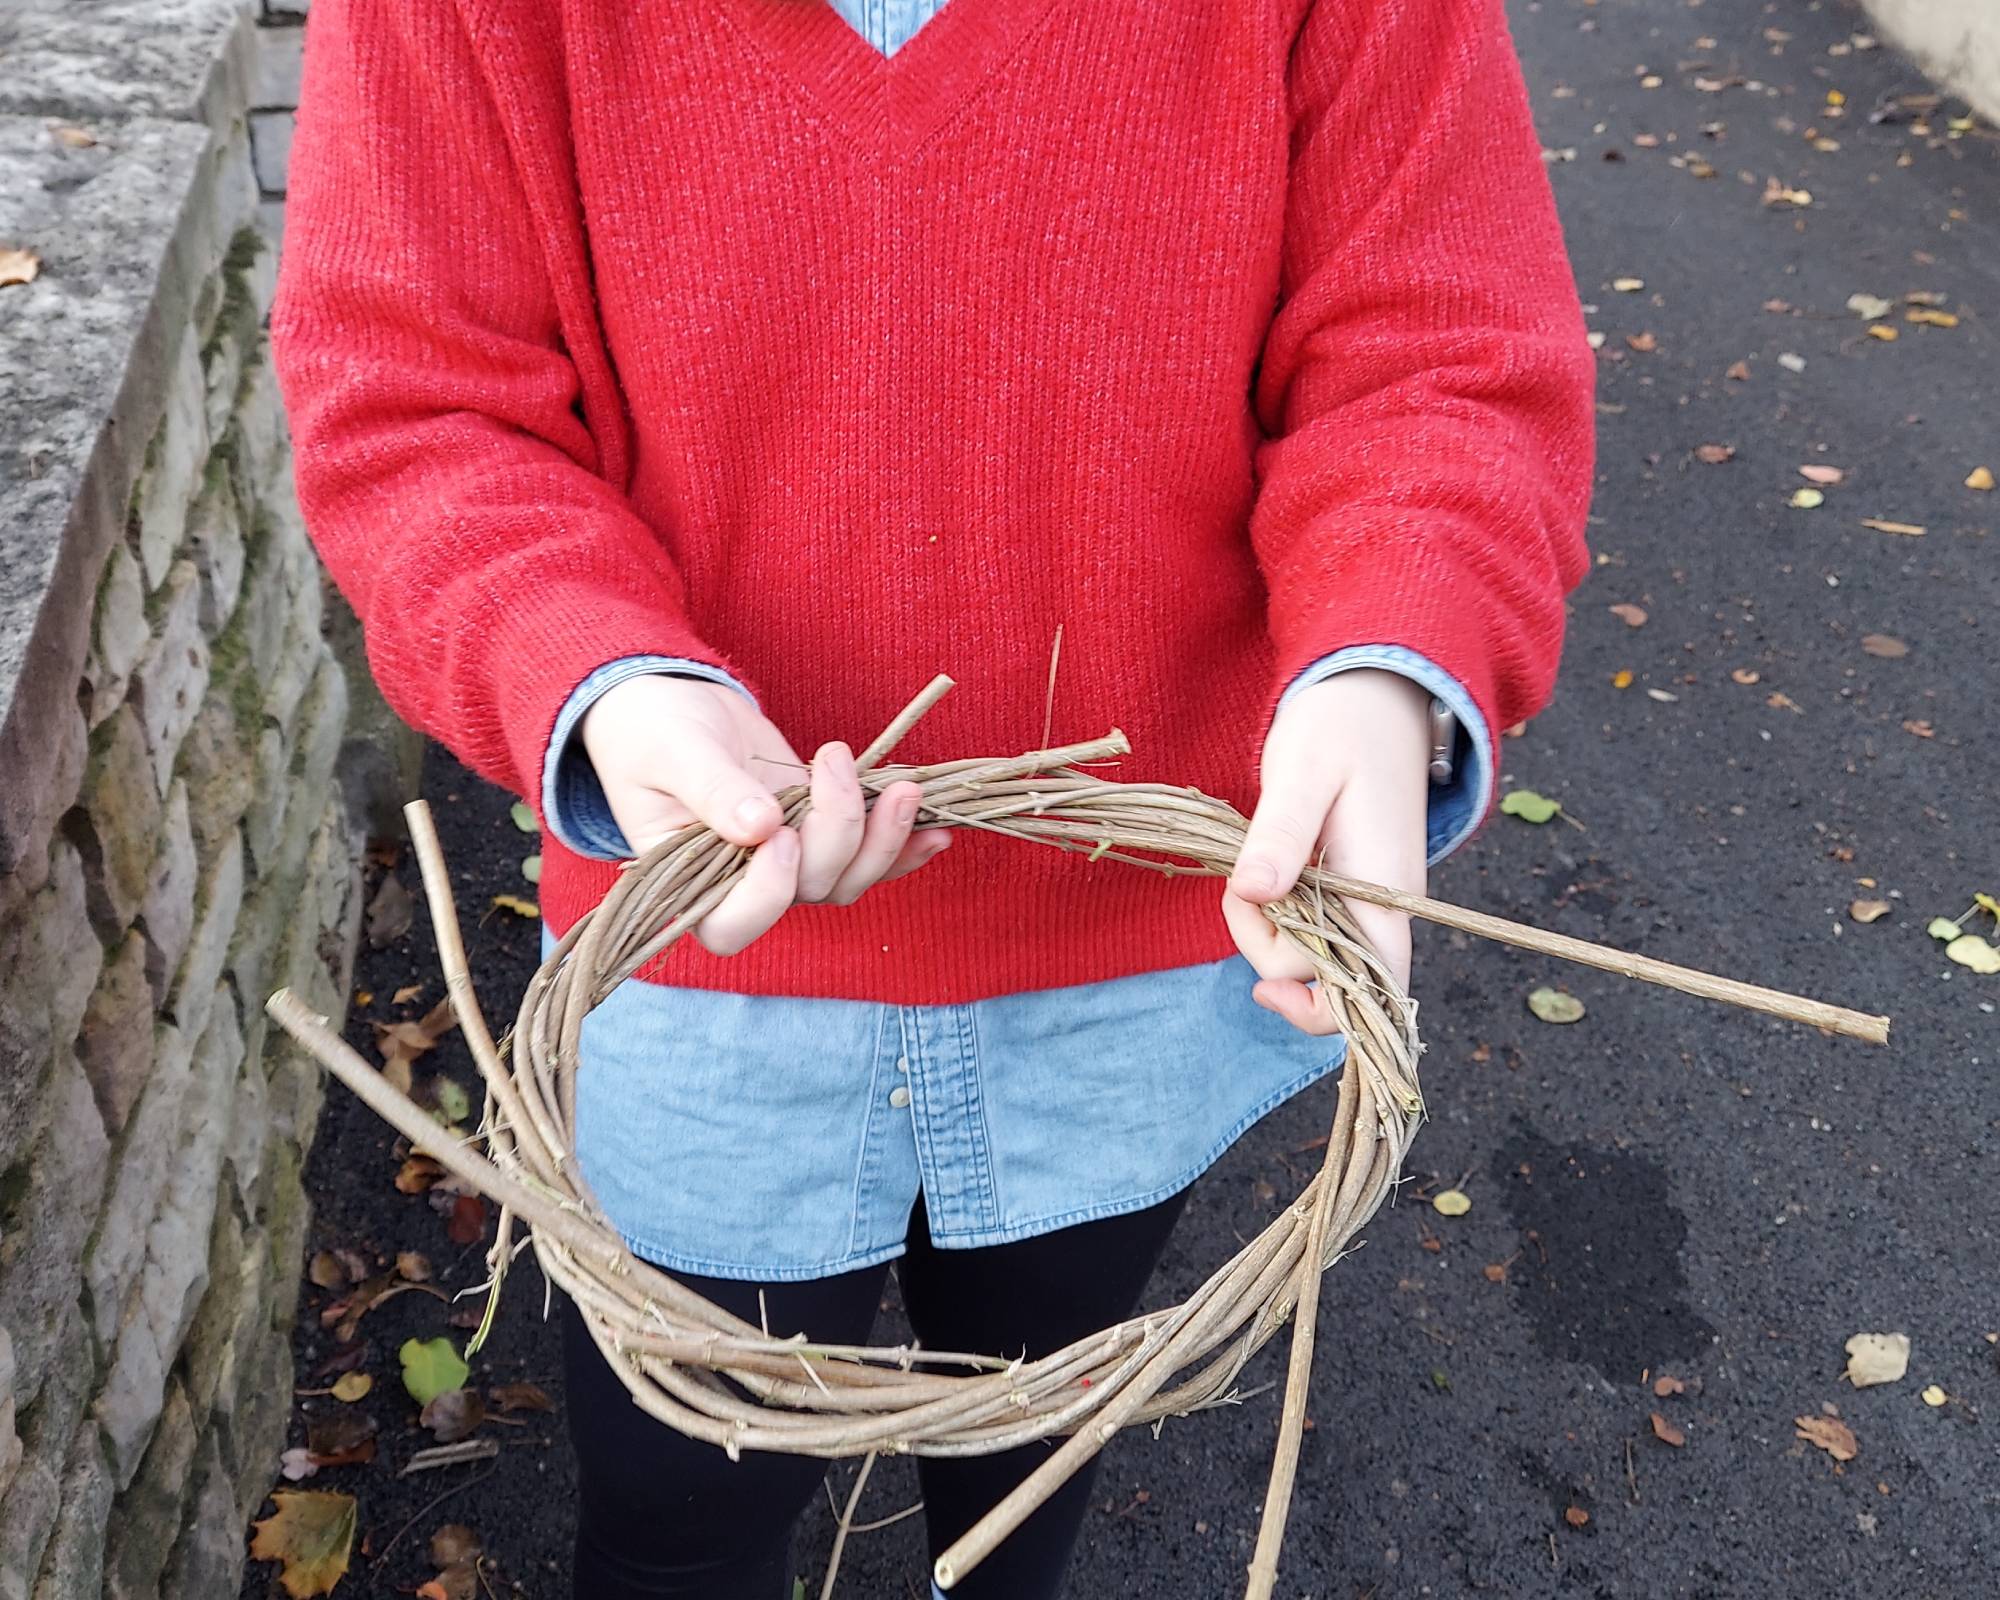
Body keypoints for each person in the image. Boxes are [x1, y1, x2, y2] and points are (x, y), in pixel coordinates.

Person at [269, 0, 1594, 1593]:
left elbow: (1434, 357)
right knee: (679, 1519)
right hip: (702, 991)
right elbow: (420, 401)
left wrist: (1391, 647)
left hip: (1136, 971)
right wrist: (593, 663)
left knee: (1023, 1485)